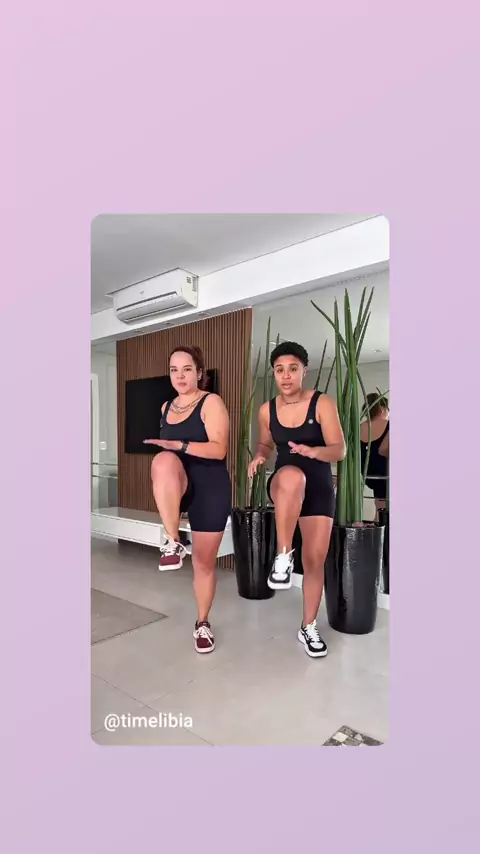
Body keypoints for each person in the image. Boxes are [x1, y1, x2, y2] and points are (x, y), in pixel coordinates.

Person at [248, 341, 346, 658]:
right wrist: (259, 456)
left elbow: (339, 450)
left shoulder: (322, 403)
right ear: (274, 374)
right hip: (285, 484)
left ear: (304, 370)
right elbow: (265, 444)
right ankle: (283, 555)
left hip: (318, 487)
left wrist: (314, 452)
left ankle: (308, 626)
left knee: (315, 561)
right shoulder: (267, 410)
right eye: (279, 370)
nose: (286, 375)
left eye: (293, 369)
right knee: (292, 476)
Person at [144, 346, 231, 654]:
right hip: (180, 482)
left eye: (186, 369)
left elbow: (219, 449)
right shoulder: (166, 407)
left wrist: (180, 444)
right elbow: (169, 458)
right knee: (161, 460)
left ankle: (203, 622)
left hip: (210, 487)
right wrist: (172, 450)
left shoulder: (211, 402)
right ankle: (173, 540)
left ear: (199, 372)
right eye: (174, 370)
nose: (180, 376)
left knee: (203, 564)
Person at [360, 393, 389, 519]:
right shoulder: (389, 425)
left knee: (380, 505)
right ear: (382, 408)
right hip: (385, 474)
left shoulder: (359, 427)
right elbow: (383, 451)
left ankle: (378, 521)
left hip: (366, 474)